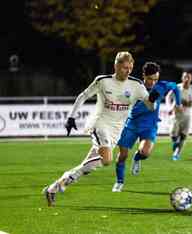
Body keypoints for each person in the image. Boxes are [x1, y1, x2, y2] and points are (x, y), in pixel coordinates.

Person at [42, 52, 156, 206]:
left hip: (116, 130)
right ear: (116, 66)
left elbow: (150, 106)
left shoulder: (136, 85)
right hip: (100, 123)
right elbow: (83, 96)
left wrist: (152, 99)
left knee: (89, 166)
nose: (128, 71)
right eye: (124, 68)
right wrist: (71, 117)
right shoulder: (103, 81)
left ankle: (54, 187)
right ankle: (56, 186)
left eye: (130, 68)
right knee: (107, 159)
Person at [112, 62, 182, 192]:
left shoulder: (161, 86)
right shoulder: (134, 88)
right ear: (144, 76)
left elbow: (175, 87)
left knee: (145, 152)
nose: (153, 82)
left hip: (149, 126)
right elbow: (130, 109)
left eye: (156, 79)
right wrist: (149, 102)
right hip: (131, 125)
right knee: (122, 155)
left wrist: (178, 103)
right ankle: (119, 182)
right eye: (150, 79)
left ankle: (137, 158)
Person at [166, 71, 192, 160]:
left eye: (188, 77)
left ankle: (177, 154)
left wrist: (190, 103)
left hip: (187, 116)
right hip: (176, 115)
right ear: (182, 78)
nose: (186, 79)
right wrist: (170, 108)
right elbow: (168, 97)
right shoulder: (177, 87)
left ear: (191, 79)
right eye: (185, 77)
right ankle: (175, 143)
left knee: (183, 136)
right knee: (173, 135)